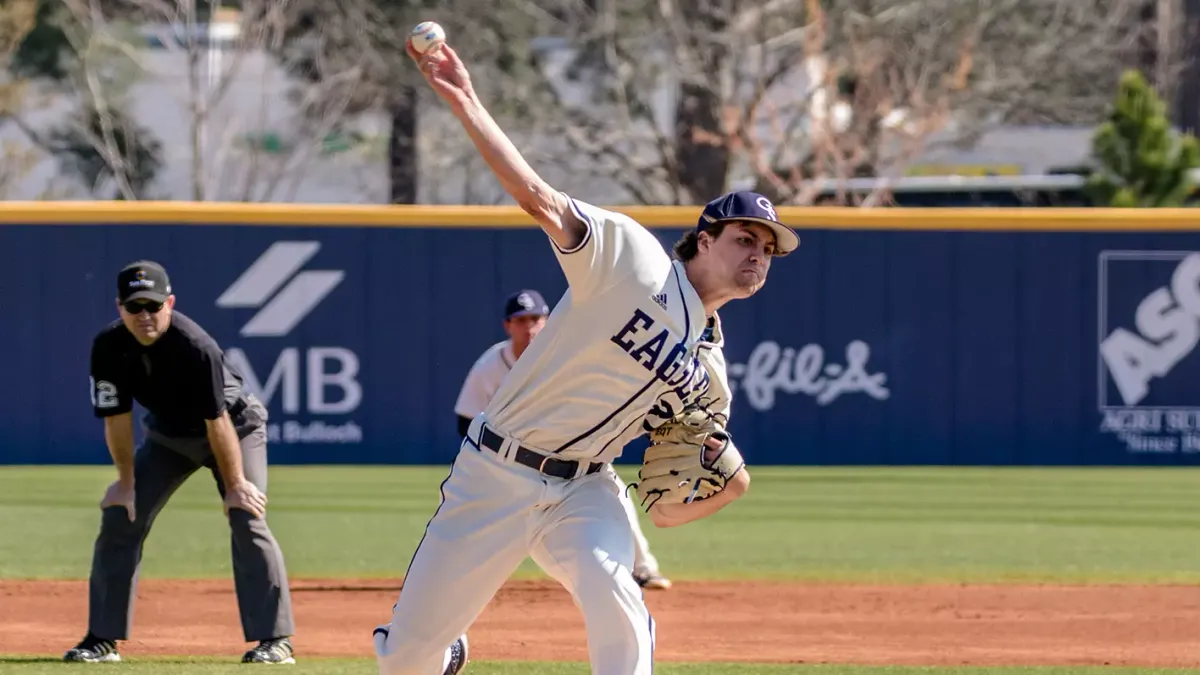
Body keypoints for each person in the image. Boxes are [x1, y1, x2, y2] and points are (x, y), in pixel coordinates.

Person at [370, 35, 800, 675]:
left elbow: (669, 506)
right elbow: (538, 196)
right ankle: (440, 650)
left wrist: (731, 485)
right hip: (495, 474)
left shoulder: (710, 372)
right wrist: (464, 100)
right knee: (407, 659)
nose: (757, 256)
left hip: (585, 488)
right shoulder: (632, 259)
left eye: (768, 249)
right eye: (744, 239)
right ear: (704, 239)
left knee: (617, 598)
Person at [64, 260, 297, 665]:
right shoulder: (108, 346)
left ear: (169, 303)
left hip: (235, 429)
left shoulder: (195, 346)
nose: (145, 316)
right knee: (121, 514)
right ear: (119, 307)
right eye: (134, 307)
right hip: (170, 438)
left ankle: (275, 640)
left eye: (153, 306)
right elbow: (116, 419)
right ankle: (102, 638)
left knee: (246, 515)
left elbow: (218, 420)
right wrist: (124, 481)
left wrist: (237, 482)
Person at [453, 289, 673, 591]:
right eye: (520, 320)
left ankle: (643, 568)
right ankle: (457, 578)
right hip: (508, 462)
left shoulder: (564, 355)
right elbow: (465, 420)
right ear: (508, 326)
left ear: (548, 321)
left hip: (569, 455)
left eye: (535, 318)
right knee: (474, 515)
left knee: (617, 496)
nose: (529, 327)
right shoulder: (490, 365)